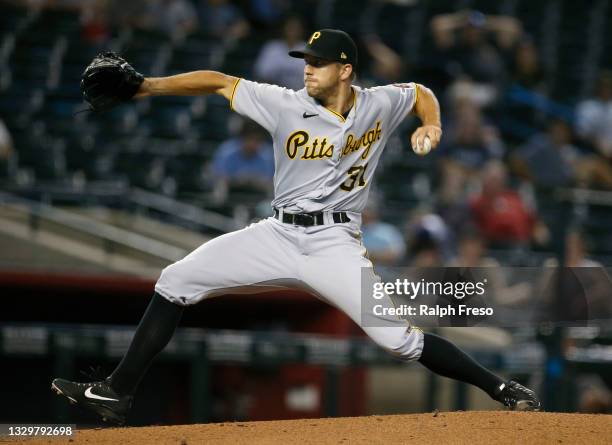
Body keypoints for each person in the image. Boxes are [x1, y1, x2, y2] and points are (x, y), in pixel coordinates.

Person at [51, 29, 540, 425]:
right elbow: (221, 81)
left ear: (345, 70)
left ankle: (499, 386)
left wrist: (431, 125)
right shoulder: (283, 102)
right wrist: (148, 86)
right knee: (176, 280)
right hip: (277, 234)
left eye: (318, 61)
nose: (306, 67)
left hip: (335, 245)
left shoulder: (378, 104)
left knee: (400, 341)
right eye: (305, 58)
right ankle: (117, 392)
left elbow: (421, 93)